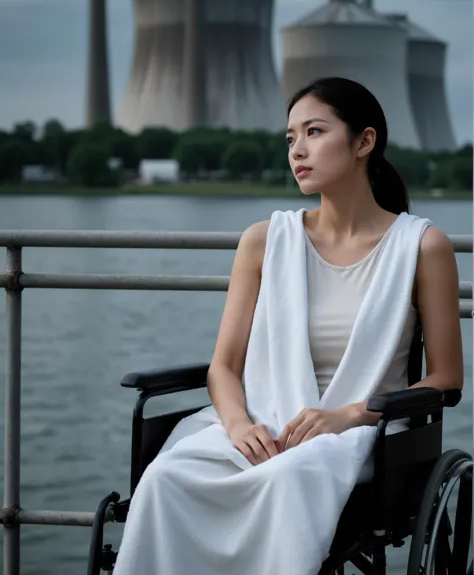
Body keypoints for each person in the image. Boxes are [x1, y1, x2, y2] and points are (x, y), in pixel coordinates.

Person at [113, 77, 463, 575]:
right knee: (167, 475)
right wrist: (239, 426)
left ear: (364, 141)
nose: (297, 150)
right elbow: (224, 367)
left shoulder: (422, 247)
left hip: (363, 433)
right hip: (261, 418)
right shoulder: (263, 240)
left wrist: (345, 415)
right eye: (291, 137)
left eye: (314, 132)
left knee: (289, 477)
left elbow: (446, 378)